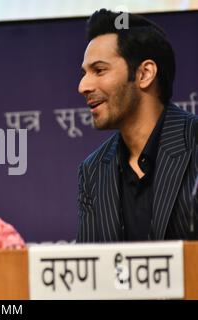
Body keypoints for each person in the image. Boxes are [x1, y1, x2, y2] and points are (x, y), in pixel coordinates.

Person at [77, 9, 198, 242]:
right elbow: (89, 268)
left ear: (144, 74)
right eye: (84, 73)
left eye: (99, 70)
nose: (83, 86)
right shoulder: (92, 171)